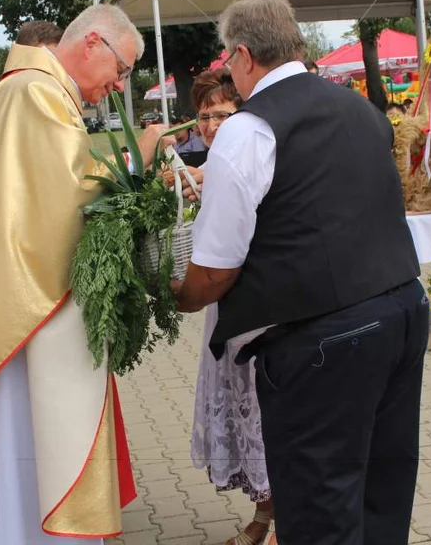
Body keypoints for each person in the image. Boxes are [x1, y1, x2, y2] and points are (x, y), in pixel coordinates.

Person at [174, 0, 425, 545]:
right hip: (403, 311)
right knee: (381, 493)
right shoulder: (358, 107)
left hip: (324, 339)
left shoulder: (249, 128)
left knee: (318, 509)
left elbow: (215, 269)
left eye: (226, 62)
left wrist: (176, 293)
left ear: (242, 56)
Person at [0, 4, 169, 544]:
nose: (118, 86)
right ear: (92, 42)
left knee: (24, 450)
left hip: (19, 303)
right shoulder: (35, 92)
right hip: (30, 314)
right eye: (120, 69)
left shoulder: (27, 89)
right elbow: (69, 194)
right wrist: (138, 156)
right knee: (33, 448)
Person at [175, 69, 276, 545]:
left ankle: (280, 522)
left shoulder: (248, 155)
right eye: (204, 116)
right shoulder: (209, 163)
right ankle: (264, 514)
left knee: (268, 412)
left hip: (261, 305)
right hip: (225, 306)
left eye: (222, 113)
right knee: (247, 412)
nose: (213, 125)